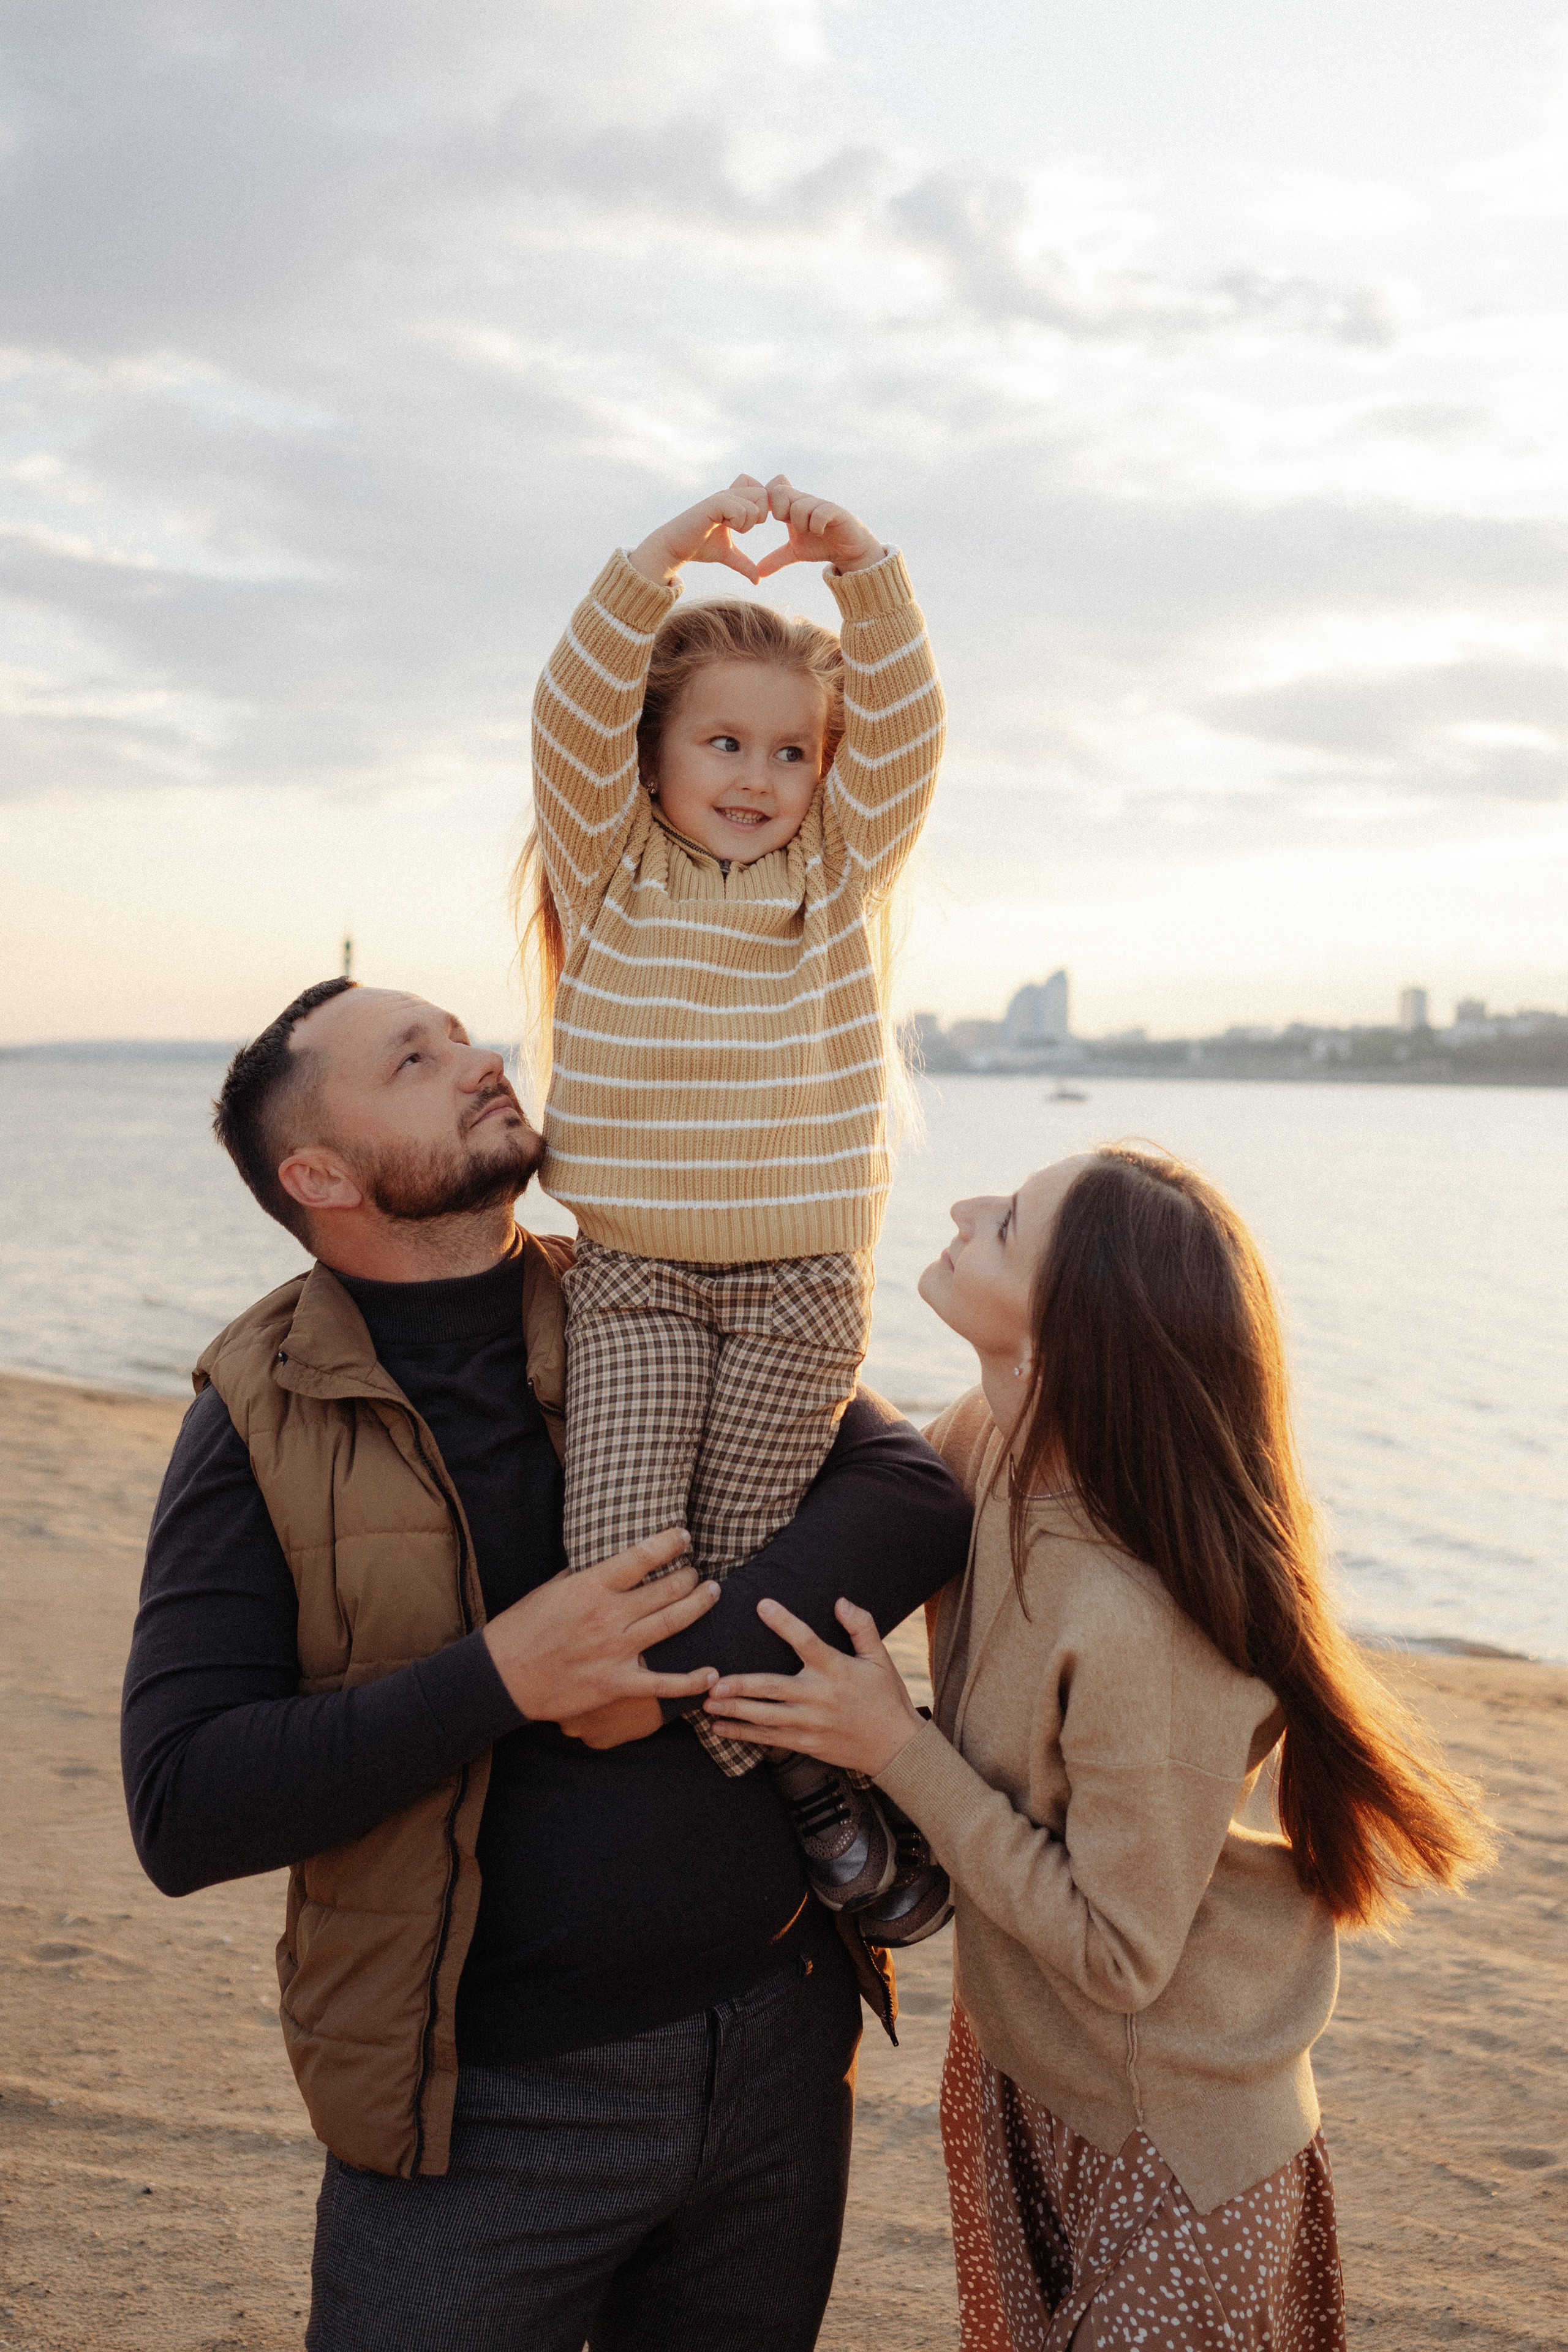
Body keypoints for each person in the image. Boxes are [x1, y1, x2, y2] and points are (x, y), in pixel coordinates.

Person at [120, 975, 971, 2352]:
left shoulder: (644, 1283)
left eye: (460, 1034)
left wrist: (654, 1673)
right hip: (480, 2112)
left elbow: (908, 1494)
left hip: (776, 2051)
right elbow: (184, 1802)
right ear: (320, 1172)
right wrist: (504, 1676)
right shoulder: (259, 1419)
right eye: (414, 1059)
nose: (478, 1061)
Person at [701, 1144, 1494, 2351]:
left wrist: (893, 1746)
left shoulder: (1140, 1623)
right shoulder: (989, 1443)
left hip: (1168, 2148)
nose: (965, 1208)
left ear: (1072, 1331)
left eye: (1009, 1222)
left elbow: (1120, 1954)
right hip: (1024, 2084)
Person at [516, 470, 946, 1916]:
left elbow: (909, 741)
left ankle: (793, 1783)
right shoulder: (612, 866)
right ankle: (802, 1782)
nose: (756, 776)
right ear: (654, 760)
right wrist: (653, 560)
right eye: (721, 741)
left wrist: (862, 567)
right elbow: (566, 709)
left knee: (749, 1574)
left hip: (799, 1295)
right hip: (633, 1277)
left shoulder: (835, 877)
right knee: (626, 1566)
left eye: (788, 751)